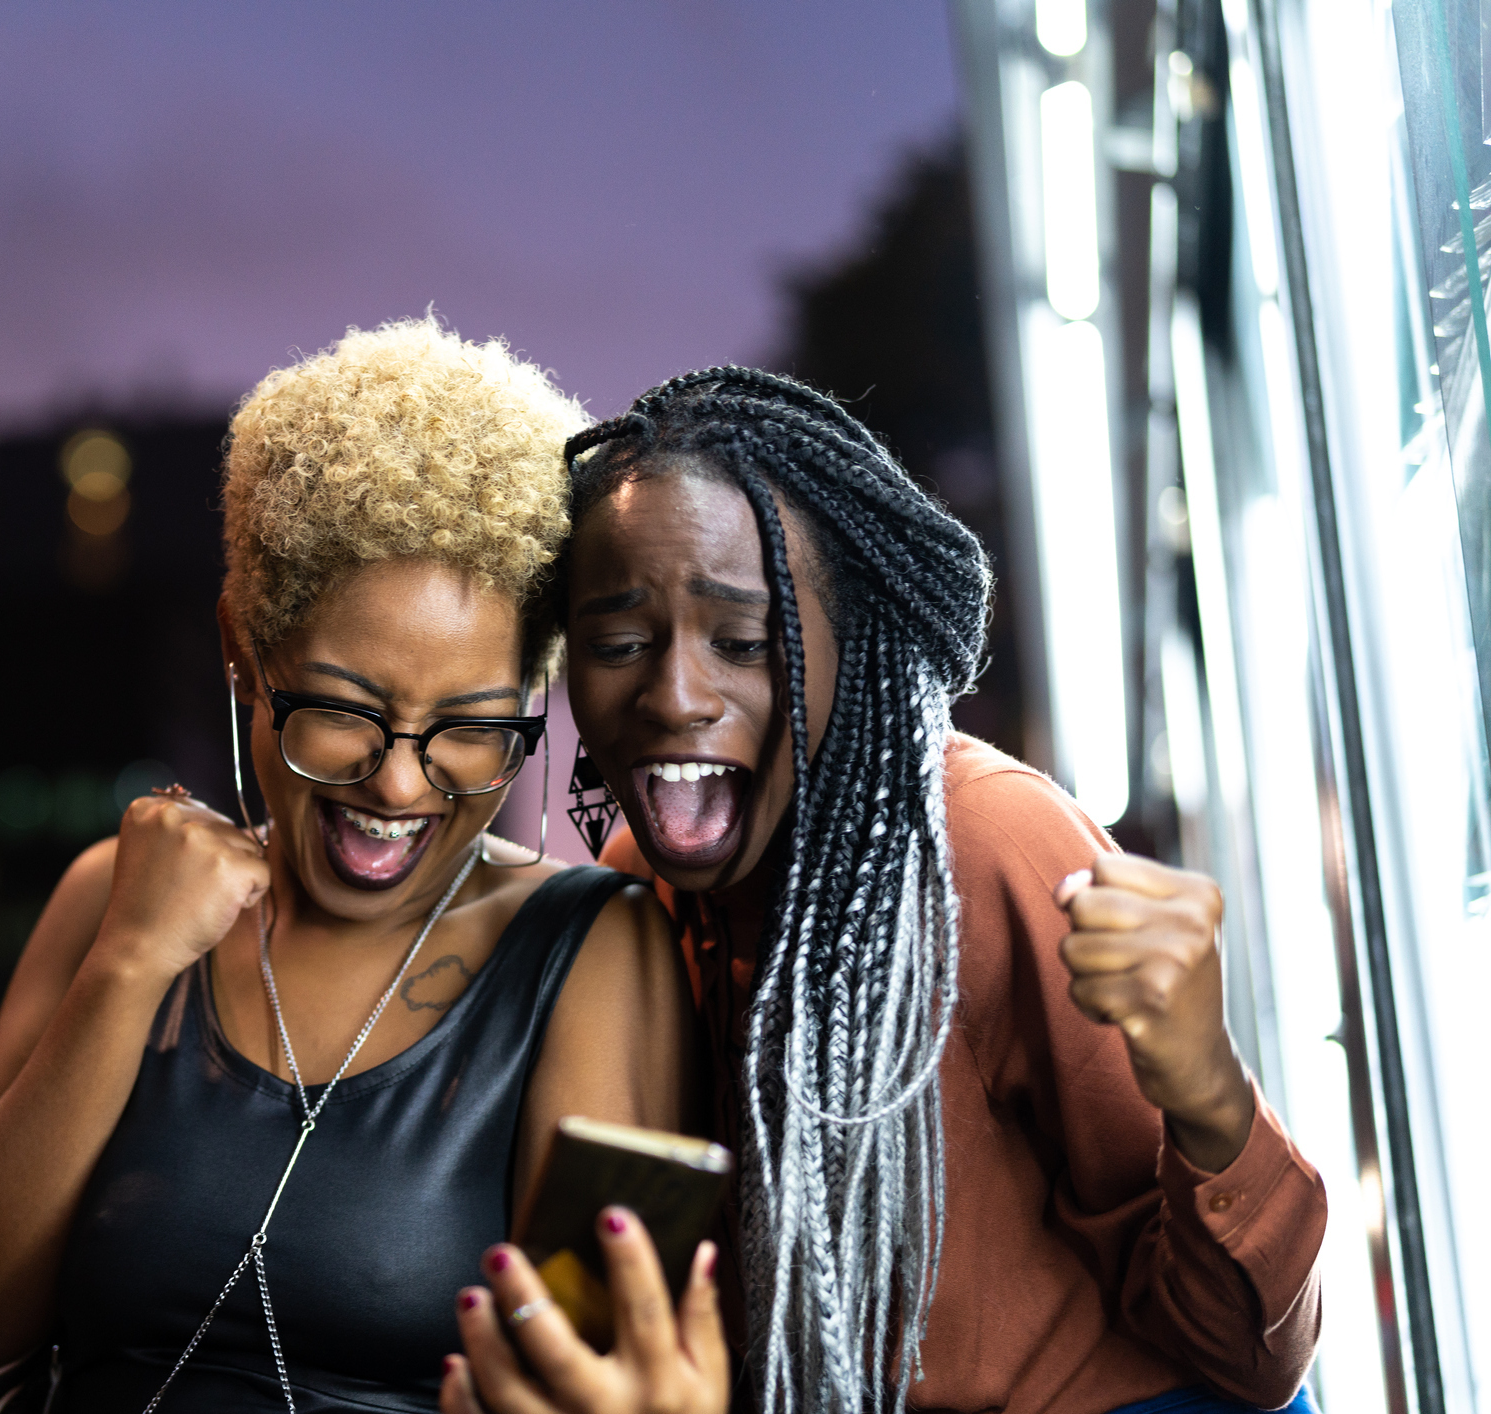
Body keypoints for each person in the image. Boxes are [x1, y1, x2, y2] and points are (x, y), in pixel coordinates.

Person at [443, 368, 1326, 1414]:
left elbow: (1250, 1359)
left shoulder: (984, 844)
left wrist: (1208, 1090)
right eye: (619, 644)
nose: (673, 693)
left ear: (847, 647)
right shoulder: (635, 899)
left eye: (739, 641)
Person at [0, 319, 696, 1413]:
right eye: (345, 711)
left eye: (468, 726)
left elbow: (590, 1378)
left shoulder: (590, 949)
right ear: (244, 651)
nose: (402, 786)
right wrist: (130, 962)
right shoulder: (114, 898)